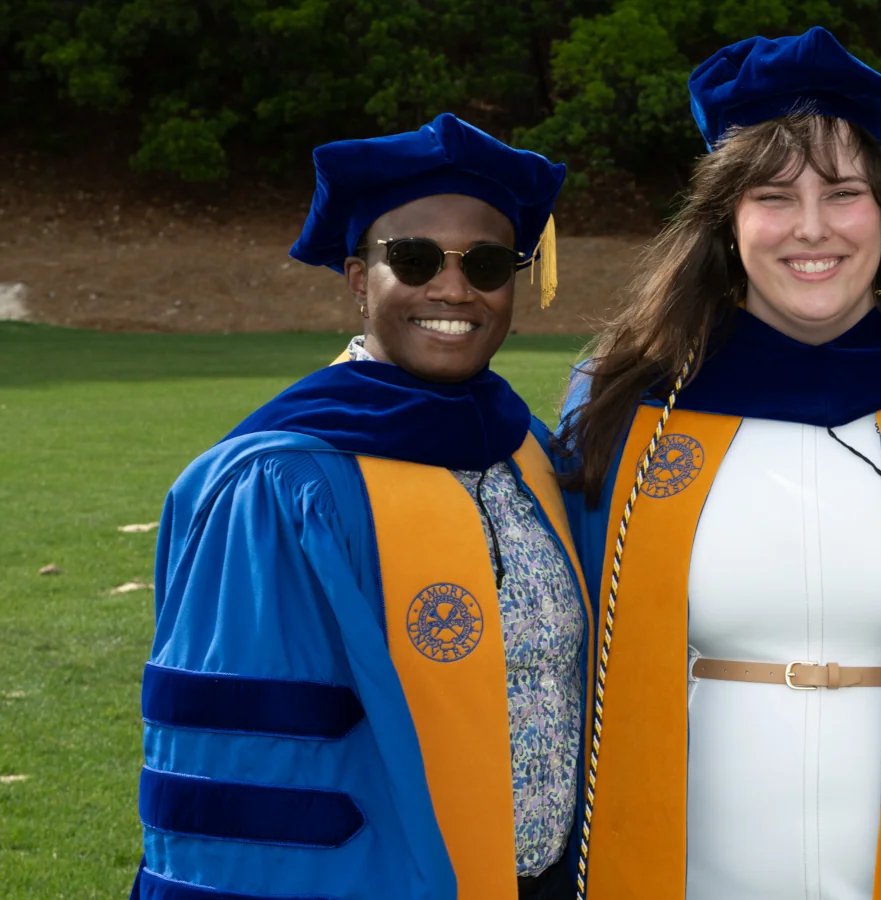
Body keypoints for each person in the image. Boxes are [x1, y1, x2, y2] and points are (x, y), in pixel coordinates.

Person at [556, 27, 881, 900]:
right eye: (773, 195)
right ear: (728, 222)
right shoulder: (634, 406)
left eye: (843, 192)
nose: (812, 228)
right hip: (697, 855)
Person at [131, 114, 589, 900]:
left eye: (485, 264)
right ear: (356, 278)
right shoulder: (277, 486)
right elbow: (248, 770)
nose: (452, 289)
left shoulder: (532, 455)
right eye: (412, 260)